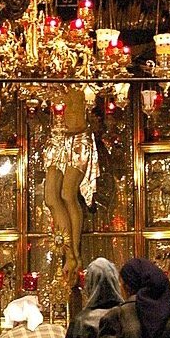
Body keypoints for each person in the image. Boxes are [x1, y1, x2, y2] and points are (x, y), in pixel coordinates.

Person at [43, 86, 99, 282]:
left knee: (67, 194)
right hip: (57, 138)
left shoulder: (80, 76)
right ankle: (69, 252)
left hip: (78, 138)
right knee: (50, 198)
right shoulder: (48, 77)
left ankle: (73, 253)